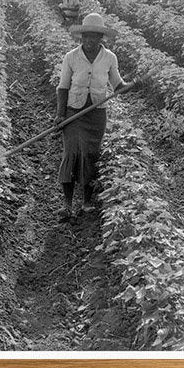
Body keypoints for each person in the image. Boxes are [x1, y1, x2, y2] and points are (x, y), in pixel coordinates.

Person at [55, 13, 134, 221]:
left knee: (91, 156)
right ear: (81, 37)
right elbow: (63, 87)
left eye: (94, 37)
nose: (90, 41)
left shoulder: (109, 58)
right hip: (74, 112)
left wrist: (129, 86)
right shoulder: (71, 57)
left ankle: (87, 202)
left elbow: (117, 85)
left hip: (96, 115)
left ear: (101, 38)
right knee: (71, 155)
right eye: (86, 37)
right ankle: (67, 204)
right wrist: (60, 115)